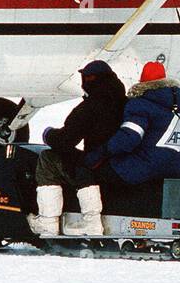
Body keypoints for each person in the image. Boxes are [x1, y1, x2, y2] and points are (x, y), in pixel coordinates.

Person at [28, 61, 126, 237]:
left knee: (48, 158)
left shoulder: (91, 106)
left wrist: (48, 134)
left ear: (89, 79)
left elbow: (66, 140)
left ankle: (49, 223)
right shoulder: (127, 103)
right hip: (122, 164)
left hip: (97, 164)